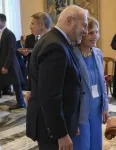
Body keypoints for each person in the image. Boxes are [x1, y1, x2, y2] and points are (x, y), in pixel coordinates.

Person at [26, 5, 88, 150]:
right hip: (51, 131)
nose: (85, 31)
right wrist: (61, 134)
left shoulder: (57, 41)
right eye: (84, 26)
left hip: (57, 124)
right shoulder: (55, 46)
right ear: (70, 21)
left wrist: (72, 124)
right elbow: (50, 96)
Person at [72, 16, 109, 150]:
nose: (95, 36)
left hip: (96, 108)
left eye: (97, 32)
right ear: (82, 33)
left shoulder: (98, 53)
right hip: (81, 109)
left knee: (96, 144)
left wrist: (105, 106)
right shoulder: (72, 54)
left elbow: (102, 82)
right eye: (91, 32)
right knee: (82, 144)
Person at [22, 12, 52, 103]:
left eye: (32, 23)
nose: (30, 26)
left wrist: (33, 92)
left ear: (41, 25)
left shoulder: (50, 42)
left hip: (45, 92)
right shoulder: (41, 39)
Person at [0, 13, 25, 109]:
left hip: (10, 63)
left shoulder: (9, 34)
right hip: (2, 62)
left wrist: (6, 66)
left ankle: (21, 103)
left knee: (16, 83)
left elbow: (11, 51)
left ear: (3, 21)